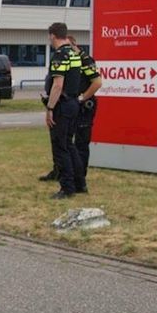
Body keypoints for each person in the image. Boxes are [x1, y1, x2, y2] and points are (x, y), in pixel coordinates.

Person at [38, 37, 102, 189]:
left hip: (82, 105)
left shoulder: (84, 59)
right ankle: (61, 171)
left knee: (78, 143)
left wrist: (81, 98)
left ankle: (79, 178)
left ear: (74, 44)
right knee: (64, 142)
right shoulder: (69, 59)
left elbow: (97, 82)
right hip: (70, 104)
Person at [44, 22, 83, 199]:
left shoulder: (60, 55)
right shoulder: (74, 54)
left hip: (63, 105)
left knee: (61, 147)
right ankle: (80, 183)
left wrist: (50, 108)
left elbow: (58, 85)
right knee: (69, 145)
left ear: (52, 35)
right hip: (75, 103)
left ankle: (67, 188)